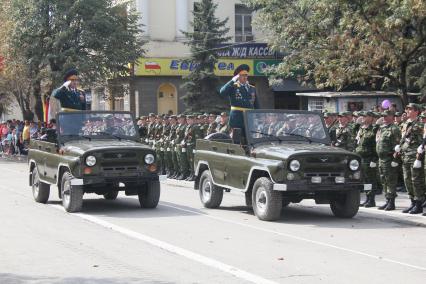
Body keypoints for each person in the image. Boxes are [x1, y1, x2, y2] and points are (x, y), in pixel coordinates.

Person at [394, 103, 425, 214]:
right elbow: (404, 138)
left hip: (414, 156)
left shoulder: (420, 124)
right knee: (407, 180)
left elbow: (423, 142)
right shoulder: (405, 123)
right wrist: (399, 148)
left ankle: (419, 204)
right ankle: (412, 202)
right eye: (407, 109)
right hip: (405, 155)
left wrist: (420, 157)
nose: (407, 111)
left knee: (416, 180)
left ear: (417, 111)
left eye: (410, 109)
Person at [220, 64, 259, 135]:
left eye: (246, 75)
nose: (245, 77)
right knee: (237, 141)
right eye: (242, 75)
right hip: (237, 119)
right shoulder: (233, 86)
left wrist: (258, 117)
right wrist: (232, 81)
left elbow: (257, 105)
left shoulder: (252, 88)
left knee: (249, 140)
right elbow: (222, 92)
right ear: (238, 77)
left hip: (249, 119)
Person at [376, 110, 401, 210]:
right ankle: (387, 200)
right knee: (384, 180)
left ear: (392, 116)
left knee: (391, 181)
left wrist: (395, 160)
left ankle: (392, 202)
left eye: (386, 116)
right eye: (383, 116)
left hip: (390, 159)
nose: (384, 118)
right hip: (381, 159)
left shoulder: (394, 129)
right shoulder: (382, 128)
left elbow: (398, 146)